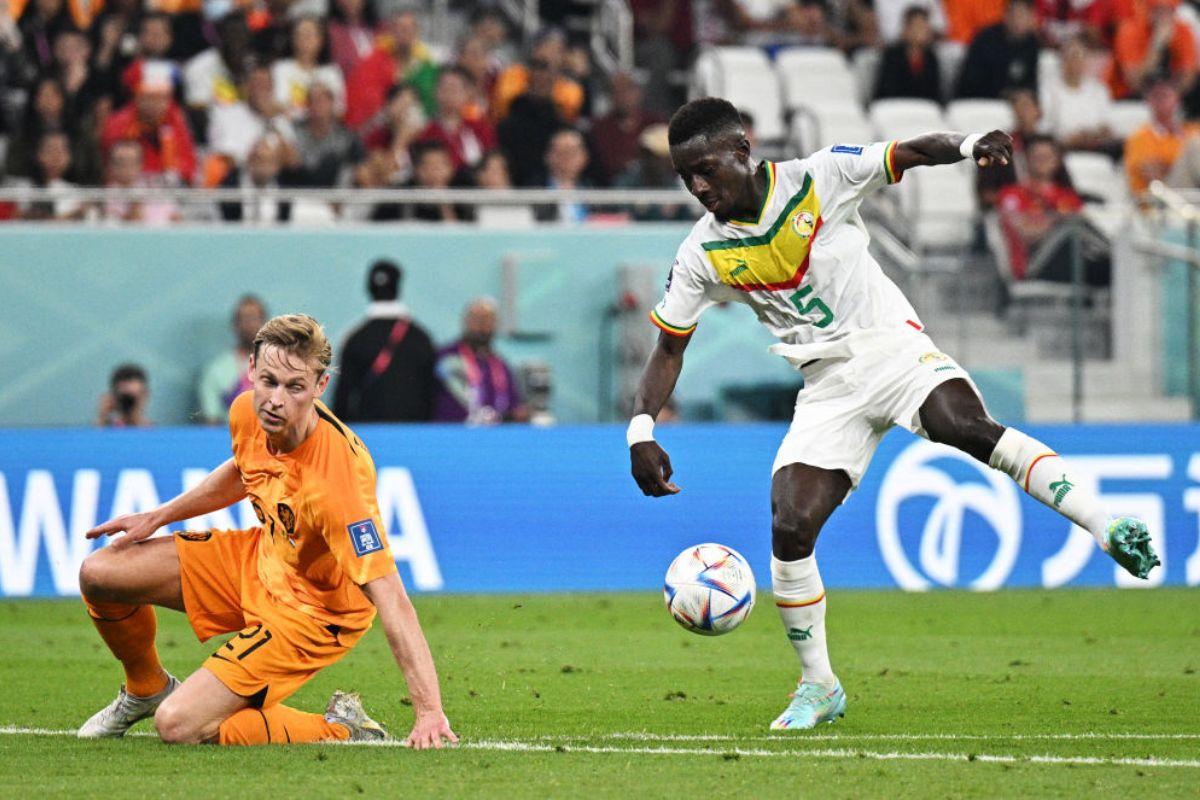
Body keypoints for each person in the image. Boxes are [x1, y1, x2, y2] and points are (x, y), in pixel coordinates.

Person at [627, 97, 1159, 731]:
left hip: (892, 348)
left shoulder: (818, 178)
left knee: (965, 428)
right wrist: (642, 428)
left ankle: (1106, 526)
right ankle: (819, 685)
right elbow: (668, 346)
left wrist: (967, 146)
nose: (699, 187)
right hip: (827, 386)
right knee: (789, 523)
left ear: (742, 149)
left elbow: (908, 150)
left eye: (706, 169)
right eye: (687, 178)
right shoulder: (702, 253)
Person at [77, 314, 456, 748]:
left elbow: (390, 594)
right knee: (101, 573)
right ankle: (146, 687)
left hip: (312, 614)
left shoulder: (338, 483)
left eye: (294, 387)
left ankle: (340, 726)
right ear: (251, 369)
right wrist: (159, 515)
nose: (275, 400)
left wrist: (428, 710)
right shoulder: (247, 411)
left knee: (178, 726)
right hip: (263, 559)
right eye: (269, 381)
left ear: (320, 386)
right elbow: (245, 469)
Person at [333, 260, 438, 422]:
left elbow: (343, 396)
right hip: (414, 433)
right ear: (398, 287)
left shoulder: (355, 338)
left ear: (368, 289)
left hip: (366, 435)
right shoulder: (421, 338)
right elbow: (433, 393)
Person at [996, 135, 1108, 285]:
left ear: (1056, 161)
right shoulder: (1013, 195)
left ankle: (1111, 254)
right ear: (1026, 160)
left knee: (1106, 267)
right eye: (1037, 157)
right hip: (1034, 264)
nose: (1042, 161)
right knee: (1071, 226)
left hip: (1073, 261)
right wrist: (1057, 220)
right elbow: (1024, 233)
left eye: (1047, 156)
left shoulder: (1068, 196)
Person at [433, 298, 527, 424]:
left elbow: (515, 406)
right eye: (477, 319)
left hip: (495, 438)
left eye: (488, 320)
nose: (483, 326)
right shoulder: (446, 358)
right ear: (465, 322)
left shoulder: (500, 366)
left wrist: (518, 414)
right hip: (453, 435)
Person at [1040, 33, 1118, 154]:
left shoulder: (1099, 89)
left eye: (1081, 57)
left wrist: (1090, 135)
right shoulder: (1047, 89)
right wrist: (1071, 139)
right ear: (1062, 60)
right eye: (1072, 57)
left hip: (1095, 146)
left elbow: (1107, 126)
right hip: (1062, 148)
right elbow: (1046, 127)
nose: (1076, 62)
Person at [198, 295, 268, 424]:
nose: (249, 325)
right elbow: (210, 420)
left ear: (265, 323)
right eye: (243, 319)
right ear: (235, 324)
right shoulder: (216, 370)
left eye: (254, 318)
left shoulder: (282, 367)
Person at [1125, 78, 1200, 196]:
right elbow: (1153, 178)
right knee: (1194, 145)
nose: (1160, 101)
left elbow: (1161, 168)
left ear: (1177, 100)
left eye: (1165, 96)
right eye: (1155, 96)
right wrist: (1183, 163)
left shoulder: (1192, 129)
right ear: (1148, 101)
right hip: (1161, 197)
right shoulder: (1141, 136)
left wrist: (1166, 164)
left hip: (1192, 190)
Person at [413, 66, 496, 172]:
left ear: (467, 94)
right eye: (445, 88)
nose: (450, 94)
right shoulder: (423, 131)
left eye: (455, 89)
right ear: (435, 92)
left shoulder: (481, 129)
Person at [955, 0, 1040, 99]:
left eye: (1024, 16)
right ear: (1005, 15)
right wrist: (1007, 93)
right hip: (978, 101)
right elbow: (972, 82)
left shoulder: (1033, 43)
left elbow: (1031, 80)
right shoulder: (985, 39)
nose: (1018, 21)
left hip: (1015, 103)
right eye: (1015, 15)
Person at [271, 16, 346, 121]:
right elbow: (278, 104)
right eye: (299, 35)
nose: (304, 40)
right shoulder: (281, 68)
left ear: (320, 40)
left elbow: (338, 109)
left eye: (309, 35)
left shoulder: (331, 72)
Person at [873, 5, 942, 102]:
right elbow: (886, 92)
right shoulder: (892, 56)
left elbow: (936, 95)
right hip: (895, 108)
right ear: (906, 30)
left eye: (926, 26)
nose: (924, 31)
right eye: (918, 26)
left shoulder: (931, 58)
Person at [96, 363, 151, 427]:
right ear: (112, 397)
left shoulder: (153, 431)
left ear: (145, 396)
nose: (128, 402)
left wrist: (136, 420)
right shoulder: (102, 429)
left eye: (133, 398)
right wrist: (102, 416)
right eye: (124, 397)